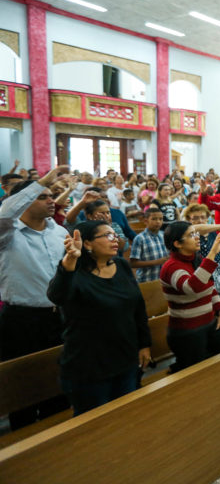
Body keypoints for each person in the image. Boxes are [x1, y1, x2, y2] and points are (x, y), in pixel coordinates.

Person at [47, 221, 151, 416]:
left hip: (125, 358)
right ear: (87, 244)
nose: (116, 240)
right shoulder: (74, 273)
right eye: (108, 236)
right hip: (90, 366)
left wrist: (144, 343)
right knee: (96, 426)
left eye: (115, 235)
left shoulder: (121, 265)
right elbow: (56, 296)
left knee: (126, 416)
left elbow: (138, 307)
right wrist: (69, 261)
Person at [0, 166, 71, 428]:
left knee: (59, 384)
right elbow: (6, 212)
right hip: (22, 320)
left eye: (52, 195)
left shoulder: (59, 233)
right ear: (24, 202)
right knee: (24, 389)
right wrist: (41, 181)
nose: (52, 200)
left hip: (59, 316)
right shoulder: (7, 233)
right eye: (42, 196)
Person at [160, 222, 220, 372]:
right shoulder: (171, 267)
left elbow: (209, 286)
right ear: (177, 243)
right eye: (191, 235)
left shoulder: (195, 259)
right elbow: (192, 287)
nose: (197, 237)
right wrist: (212, 254)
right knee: (199, 375)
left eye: (195, 233)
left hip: (209, 323)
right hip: (187, 332)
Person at [183, 203, 220, 296]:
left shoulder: (213, 234)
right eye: (195, 218)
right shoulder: (189, 235)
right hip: (200, 279)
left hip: (218, 280)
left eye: (203, 217)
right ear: (189, 220)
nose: (200, 220)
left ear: (207, 218)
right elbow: (195, 228)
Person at [129, 207, 168, 283]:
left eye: (161, 219)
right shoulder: (140, 238)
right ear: (146, 221)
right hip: (147, 280)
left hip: (163, 280)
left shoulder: (164, 235)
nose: (158, 222)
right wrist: (157, 262)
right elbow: (133, 263)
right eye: (154, 219)